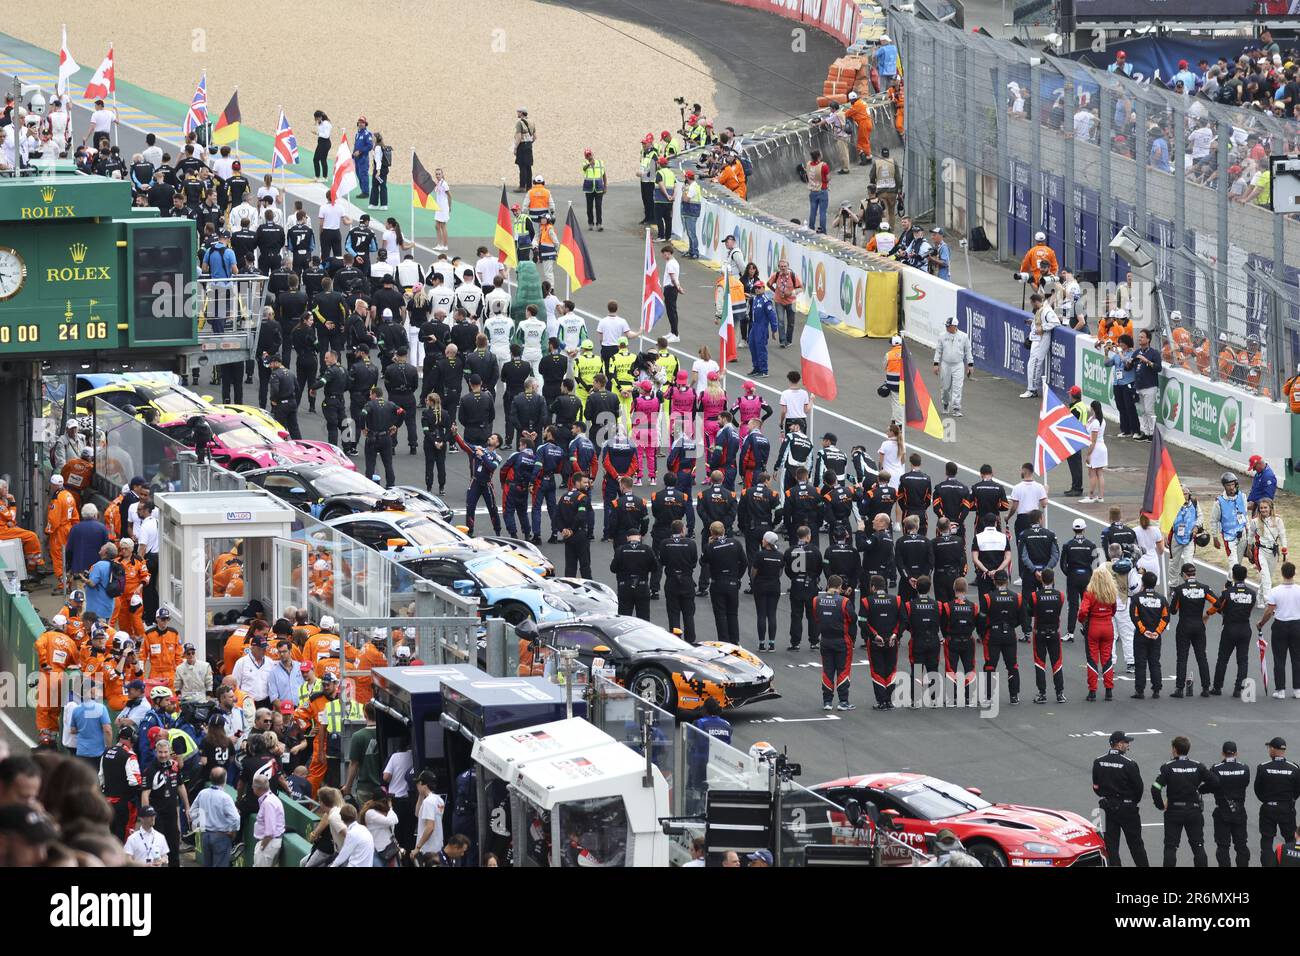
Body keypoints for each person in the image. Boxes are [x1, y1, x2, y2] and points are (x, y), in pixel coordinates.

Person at [1151, 736, 1215, 868]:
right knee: (1198, 846)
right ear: (1188, 749)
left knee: (1171, 847)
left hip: (1174, 811)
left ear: (1174, 749)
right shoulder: (1198, 766)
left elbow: (1155, 788)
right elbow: (1215, 782)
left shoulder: (1167, 767)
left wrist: (1161, 805)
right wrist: (1201, 789)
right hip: (1194, 811)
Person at [1092, 731, 1149, 866]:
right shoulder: (1130, 764)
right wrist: (1131, 801)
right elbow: (1139, 788)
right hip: (1127, 808)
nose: (1128, 745)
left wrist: (1106, 796)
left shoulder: (1098, 762)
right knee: (1136, 844)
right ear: (1118, 744)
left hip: (1106, 807)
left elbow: (1096, 787)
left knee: (1110, 846)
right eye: (1126, 742)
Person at [1206, 563, 1256, 698]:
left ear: (1233, 576)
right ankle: (1239, 689)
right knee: (1243, 660)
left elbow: (1218, 608)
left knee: (1223, 658)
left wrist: (1208, 613)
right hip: (1245, 627)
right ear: (1245, 577)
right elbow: (1249, 610)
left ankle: (1217, 687)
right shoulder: (1252, 593)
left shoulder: (1227, 593)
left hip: (1230, 628)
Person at [1168, 563, 1212, 698]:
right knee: (1201, 657)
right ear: (1194, 573)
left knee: (1182, 658)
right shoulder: (1204, 588)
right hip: (1199, 625)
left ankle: (1179, 689)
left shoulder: (1180, 589)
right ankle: (1206, 688)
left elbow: (1173, 611)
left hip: (1184, 626)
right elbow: (1217, 603)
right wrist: (1208, 614)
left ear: (1184, 575)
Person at [1258, 561, 1300, 698]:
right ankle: (1297, 689)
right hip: (1296, 626)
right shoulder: (1299, 590)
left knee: (1279, 658)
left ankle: (1280, 690)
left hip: (1280, 626)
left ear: (1282, 573)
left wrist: (1261, 623)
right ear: (1294, 573)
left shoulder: (1275, 591)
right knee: (1297, 659)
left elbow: (1269, 612)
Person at [1256, 737, 1300, 866]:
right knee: (1290, 840)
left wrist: (1267, 800)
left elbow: (1258, 789)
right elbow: (1297, 790)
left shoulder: (1263, 767)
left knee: (1267, 840)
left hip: (1268, 808)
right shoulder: (1294, 768)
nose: (1269, 750)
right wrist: (1289, 801)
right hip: (1287, 809)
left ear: (1273, 749)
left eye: (1269, 748)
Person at [1078, 566, 1117, 701]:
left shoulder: (1089, 593)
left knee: (1092, 660)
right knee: (1107, 658)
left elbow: (1082, 611)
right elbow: (1114, 609)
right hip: (1107, 626)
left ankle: (1092, 691)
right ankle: (1109, 690)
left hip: (1094, 627)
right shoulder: (1111, 592)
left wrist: (1082, 621)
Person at [189, 767, 240, 867]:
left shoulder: (202, 793)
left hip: (206, 835)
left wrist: (201, 825)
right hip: (221, 836)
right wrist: (233, 831)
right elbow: (236, 818)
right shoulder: (225, 797)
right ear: (225, 779)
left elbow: (192, 812)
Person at [1130, 571, 1170, 699]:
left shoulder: (1136, 598)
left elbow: (1134, 616)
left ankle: (1139, 691)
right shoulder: (1162, 599)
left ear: (1143, 583)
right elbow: (1165, 618)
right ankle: (1156, 690)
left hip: (1142, 635)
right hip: (1155, 636)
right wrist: (1157, 632)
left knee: (1140, 663)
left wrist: (1143, 630)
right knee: (1155, 662)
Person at [660, 519, 698, 644]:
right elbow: (694, 562)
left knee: (673, 614)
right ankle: (690, 641)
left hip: (671, 581)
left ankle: (675, 641)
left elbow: (663, 561)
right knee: (688, 614)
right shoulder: (691, 543)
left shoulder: (665, 543)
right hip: (687, 580)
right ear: (682, 530)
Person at [931, 317, 973, 415]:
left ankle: (956, 408)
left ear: (954, 326)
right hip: (946, 364)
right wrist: (936, 364)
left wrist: (970, 365)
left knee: (957, 387)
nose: (947, 327)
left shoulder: (964, 336)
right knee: (945, 387)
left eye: (949, 326)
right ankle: (945, 403)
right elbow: (938, 350)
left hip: (958, 365)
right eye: (946, 326)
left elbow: (968, 351)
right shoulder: (942, 336)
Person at [1249, 499, 1287, 599]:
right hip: (1260, 551)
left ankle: (1260, 596)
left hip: (1273, 552)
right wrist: (1249, 550)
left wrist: (1284, 547)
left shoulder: (1278, 520)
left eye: (1265, 507)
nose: (1263, 510)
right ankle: (1268, 601)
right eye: (1261, 508)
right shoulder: (1255, 521)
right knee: (1266, 579)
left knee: (1268, 577)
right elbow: (1250, 536)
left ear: (1270, 508)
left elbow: (1282, 535)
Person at [252, 773, 285, 867]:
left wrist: (261, 848)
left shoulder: (268, 803)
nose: (252, 788)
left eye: (253, 786)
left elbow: (269, 832)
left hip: (268, 844)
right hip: (270, 843)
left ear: (258, 788)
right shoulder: (270, 798)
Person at [1080, 401, 1108, 503]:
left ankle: (1091, 496)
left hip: (1096, 448)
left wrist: (1088, 454)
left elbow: (1093, 440)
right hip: (1100, 447)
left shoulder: (1096, 422)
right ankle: (1100, 497)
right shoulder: (1096, 420)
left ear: (1092, 408)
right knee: (1099, 473)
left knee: (1092, 473)